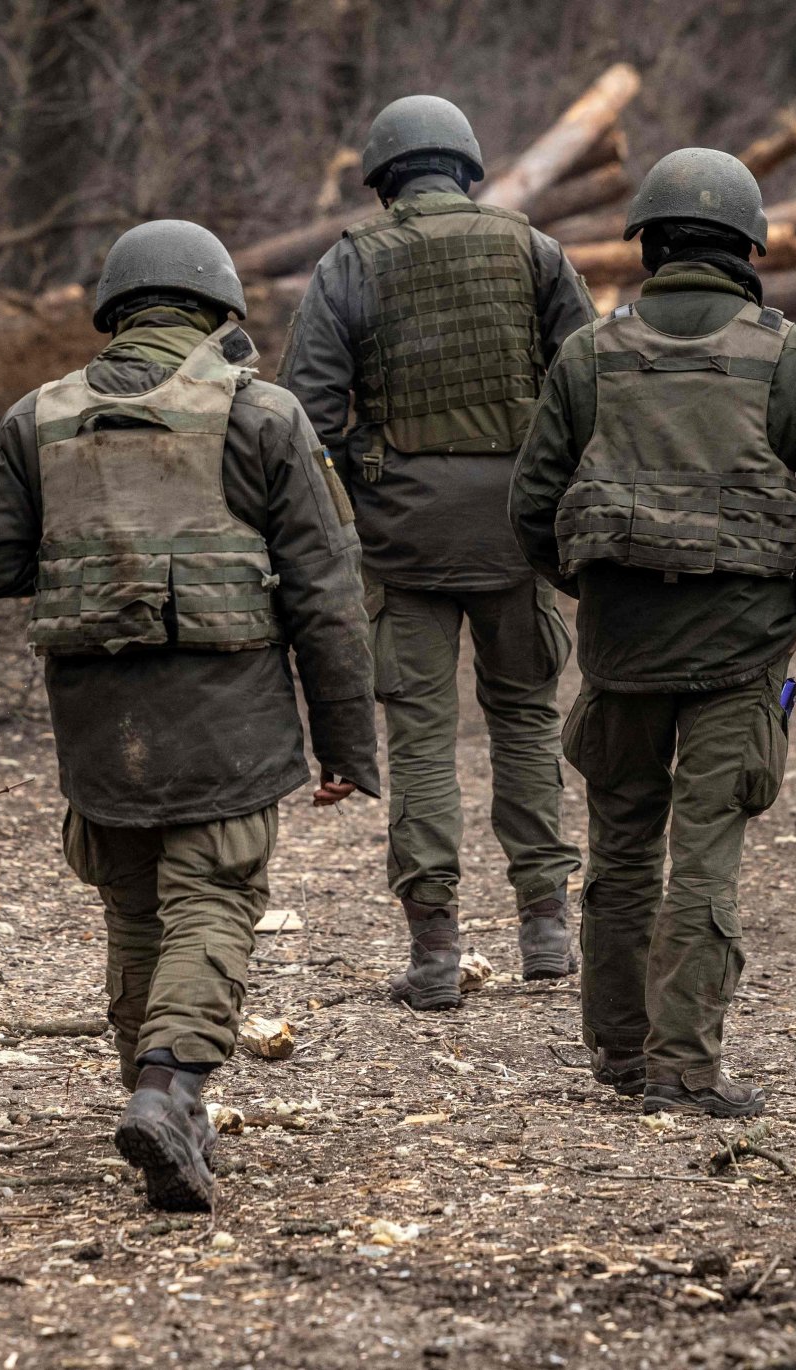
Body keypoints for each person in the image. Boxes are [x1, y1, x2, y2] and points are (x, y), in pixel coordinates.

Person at [0, 220, 378, 1211]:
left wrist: (87, 549)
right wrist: (347, 742)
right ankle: (170, 1088)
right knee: (214, 897)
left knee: (135, 904)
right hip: (228, 717)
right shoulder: (261, 415)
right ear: (221, 312)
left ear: (113, 311)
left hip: (98, 719)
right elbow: (325, 592)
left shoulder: (39, 416)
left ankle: (161, 1109)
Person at [512, 149, 796, 1117]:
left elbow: (532, 503)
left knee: (621, 850)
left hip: (621, 648)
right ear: (747, 246)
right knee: (704, 855)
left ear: (648, 242)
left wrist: (590, 586)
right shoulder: (792, 355)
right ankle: (684, 1071)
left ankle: (620, 1056)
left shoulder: (588, 352)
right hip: (742, 650)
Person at [279, 95, 592, 1012]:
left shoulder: (350, 262)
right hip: (515, 531)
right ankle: (544, 930)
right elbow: (587, 381)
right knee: (525, 722)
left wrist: (367, 495)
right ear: (465, 167)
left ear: (383, 177)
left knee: (418, 738)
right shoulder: (534, 249)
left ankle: (434, 955)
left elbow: (307, 411)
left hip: (401, 541)